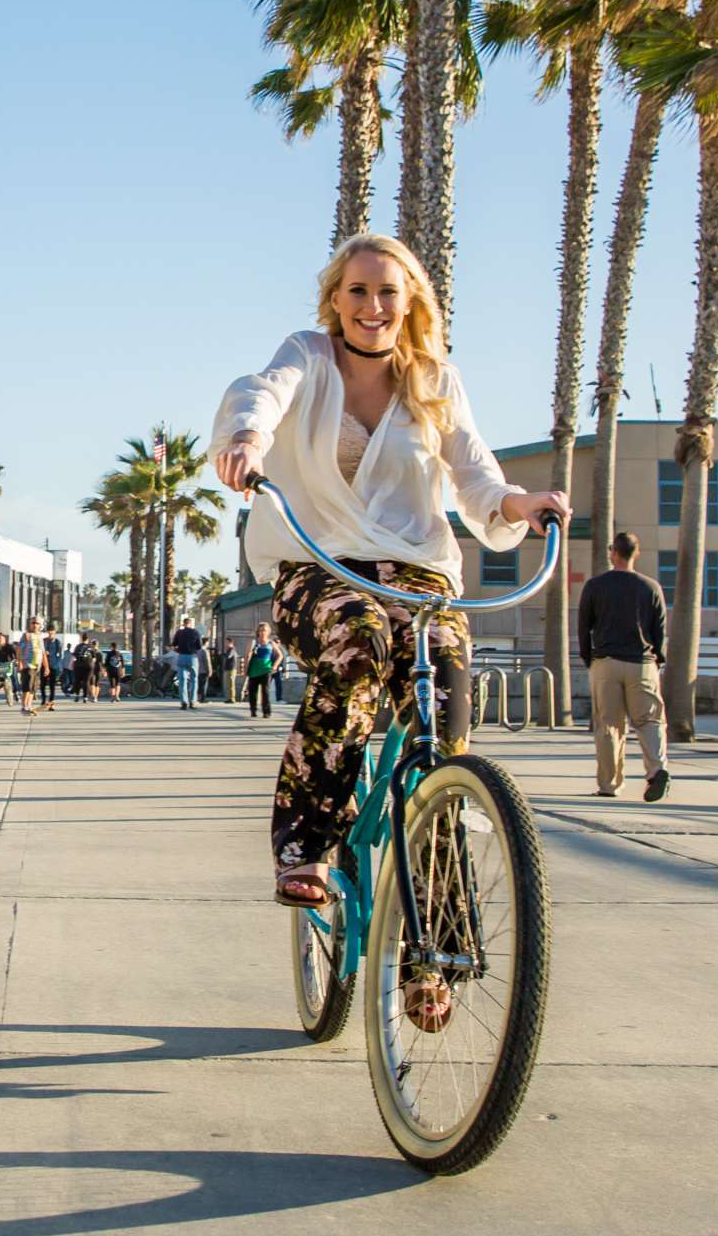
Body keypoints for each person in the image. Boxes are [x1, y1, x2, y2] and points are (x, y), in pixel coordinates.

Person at [209, 233, 567, 907]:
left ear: (409, 303)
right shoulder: (308, 356)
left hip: (418, 572)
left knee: (444, 693)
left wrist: (524, 504)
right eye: (358, 291)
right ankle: (306, 843)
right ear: (336, 300)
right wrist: (248, 440)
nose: (372, 305)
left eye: (387, 292)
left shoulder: (435, 380)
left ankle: (441, 930)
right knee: (359, 633)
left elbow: (478, 481)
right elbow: (263, 394)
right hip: (316, 566)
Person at [580, 530, 671, 801]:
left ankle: (609, 785)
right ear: (636, 553)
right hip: (642, 663)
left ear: (613, 553)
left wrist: (590, 658)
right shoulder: (650, 587)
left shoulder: (595, 586)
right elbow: (660, 630)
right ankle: (656, 770)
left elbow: (584, 627)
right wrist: (657, 660)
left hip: (606, 663)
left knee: (609, 725)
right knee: (650, 720)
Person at [245, 622, 282, 718]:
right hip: (254, 670)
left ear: (268, 632)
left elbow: (280, 655)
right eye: (260, 630)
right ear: (258, 632)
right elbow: (247, 656)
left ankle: (266, 712)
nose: (262, 632)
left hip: (266, 670)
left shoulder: (271, 643)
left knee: (265, 691)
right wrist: (245, 670)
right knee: (253, 692)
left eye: (264, 630)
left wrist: (275, 666)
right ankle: (253, 710)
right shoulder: (254, 642)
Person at [169, 620, 204, 709]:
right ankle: (192, 702)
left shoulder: (179, 632)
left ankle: (184, 702)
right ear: (191, 624)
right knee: (194, 680)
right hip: (192, 657)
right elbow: (199, 646)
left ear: (183, 624)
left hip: (181, 657)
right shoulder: (196, 632)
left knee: (182, 681)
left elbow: (174, 644)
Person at [217, 635, 241, 702]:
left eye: (227, 642)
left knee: (231, 683)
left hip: (232, 668)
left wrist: (221, 654)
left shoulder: (232, 649)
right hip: (230, 668)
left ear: (230, 642)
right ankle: (230, 698)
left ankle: (232, 698)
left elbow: (228, 656)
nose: (226, 644)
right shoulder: (230, 649)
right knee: (229, 684)